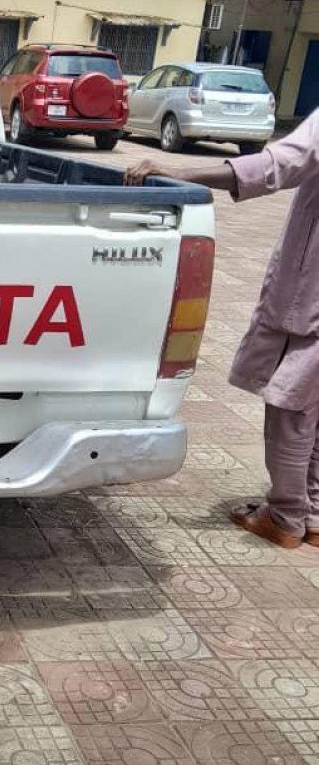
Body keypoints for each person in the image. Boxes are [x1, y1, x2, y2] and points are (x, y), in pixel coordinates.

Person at [125, 110, 319, 550]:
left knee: (293, 406)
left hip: (312, 298)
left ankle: (287, 517)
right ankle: (312, 513)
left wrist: (177, 170)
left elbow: (281, 164)